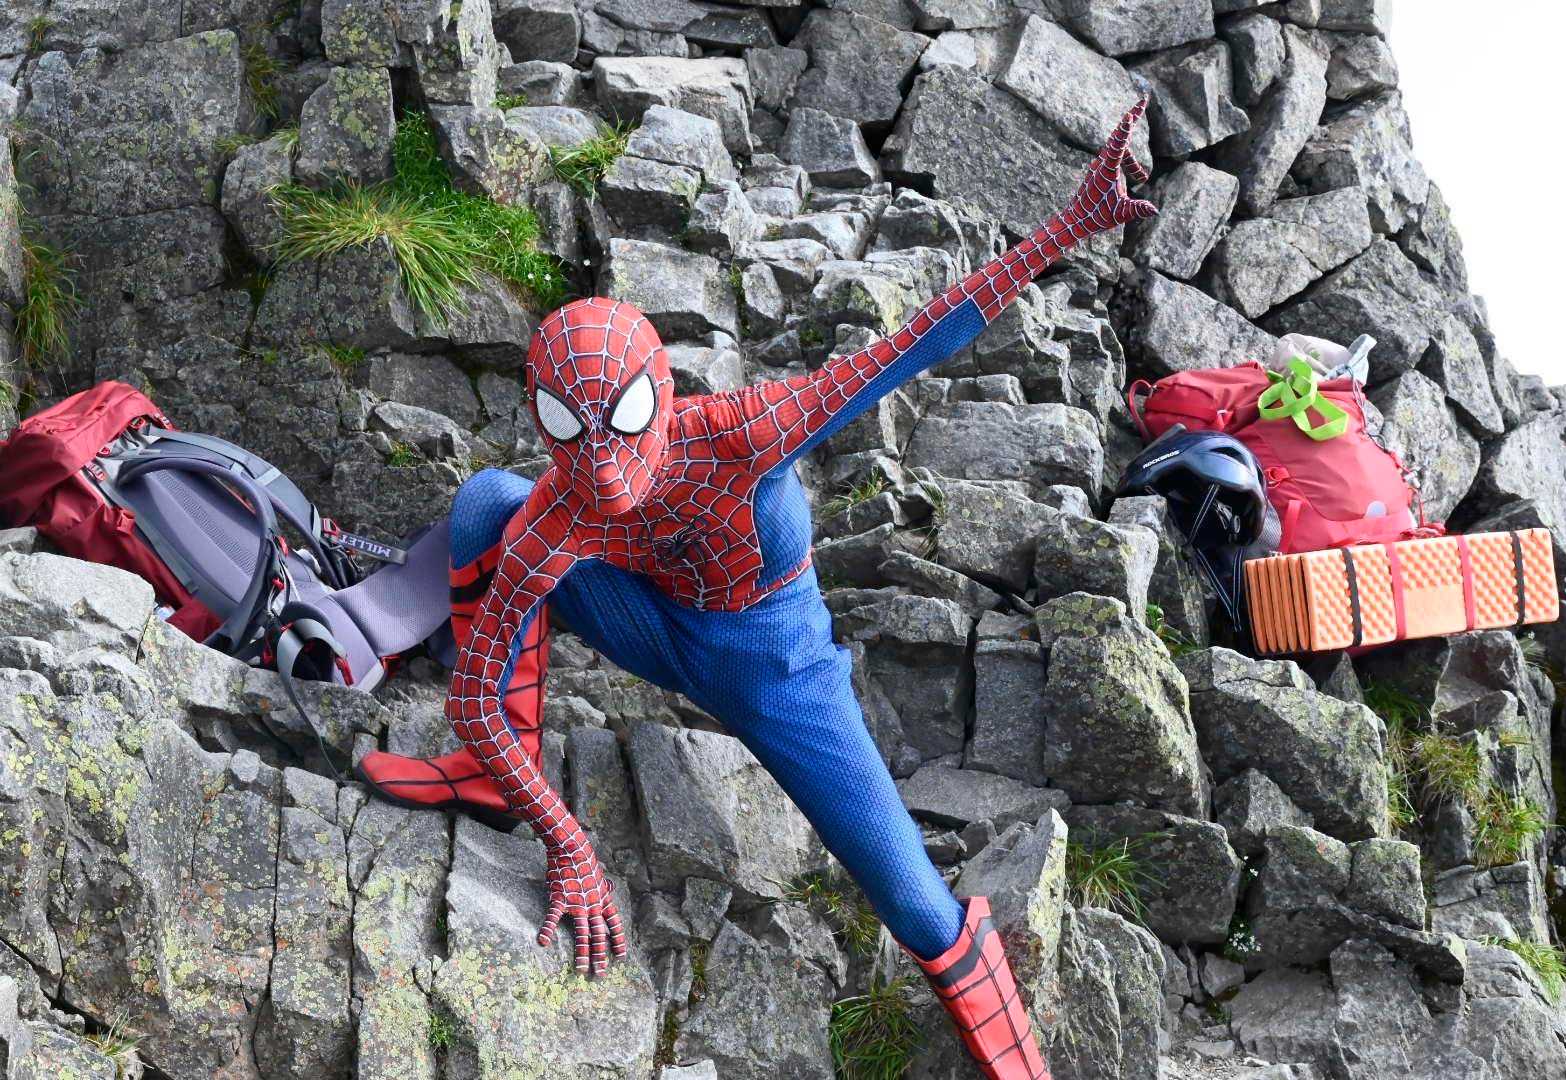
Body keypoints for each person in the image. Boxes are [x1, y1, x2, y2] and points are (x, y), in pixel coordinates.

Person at [359, 95, 1155, 1080]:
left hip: (779, 670)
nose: (602, 461)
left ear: (663, 392)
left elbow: (915, 342)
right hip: (656, 627)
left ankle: (1018, 1067)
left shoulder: (745, 432)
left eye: (624, 417)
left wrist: (1069, 226)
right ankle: (498, 781)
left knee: (917, 905)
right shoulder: (560, 515)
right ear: (541, 416)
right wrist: (566, 840)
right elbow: (476, 695)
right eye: (569, 428)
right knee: (487, 501)